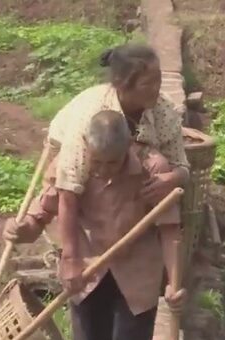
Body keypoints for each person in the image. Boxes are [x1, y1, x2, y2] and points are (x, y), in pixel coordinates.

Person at [4, 110, 186, 340]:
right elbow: (39, 217)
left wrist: (175, 283)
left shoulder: (152, 168)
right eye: (96, 162)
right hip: (86, 275)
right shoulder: (72, 164)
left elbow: (170, 228)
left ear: (128, 148)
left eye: (111, 163)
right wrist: (20, 229)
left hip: (137, 278)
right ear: (86, 149)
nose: (102, 171)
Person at [46, 43, 190, 298]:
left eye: (158, 80)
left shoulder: (163, 111)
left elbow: (183, 168)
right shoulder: (89, 119)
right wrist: (70, 259)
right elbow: (67, 190)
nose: (157, 88)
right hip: (87, 181)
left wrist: (172, 179)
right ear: (122, 84)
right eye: (148, 83)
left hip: (134, 180)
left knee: (160, 167)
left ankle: (148, 270)